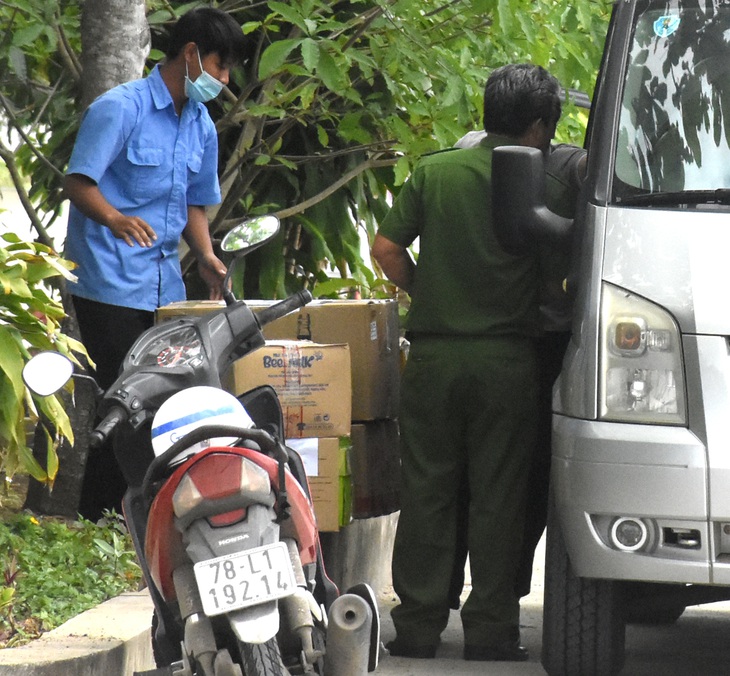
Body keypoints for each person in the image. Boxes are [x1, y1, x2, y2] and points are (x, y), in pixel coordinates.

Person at [371, 63, 562, 662]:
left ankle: (420, 627)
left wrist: (427, 292)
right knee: (498, 494)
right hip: (508, 361)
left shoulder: (436, 171)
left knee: (428, 488)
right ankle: (491, 631)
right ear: (537, 125)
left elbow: (384, 249)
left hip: (433, 359)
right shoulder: (546, 183)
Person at [63, 7, 246, 520]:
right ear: (191, 54)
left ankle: (127, 511)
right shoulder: (119, 108)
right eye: (221, 65)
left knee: (159, 395)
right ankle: (104, 516)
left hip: (163, 284)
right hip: (107, 277)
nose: (225, 80)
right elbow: (77, 183)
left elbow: (194, 203)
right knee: (124, 396)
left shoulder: (201, 123)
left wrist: (206, 255)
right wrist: (116, 219)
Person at [451, 131, 587, 599]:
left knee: (494, 477)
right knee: (514, 477)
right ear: (541, 124)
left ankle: (487, 591)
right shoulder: (564, 169)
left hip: (527, 337)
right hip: (527, 341)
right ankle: (495, 597)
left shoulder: (459, 161)